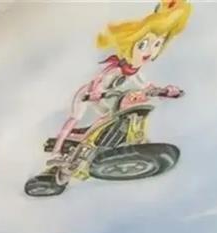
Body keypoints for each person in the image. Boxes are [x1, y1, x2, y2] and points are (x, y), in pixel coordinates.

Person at [48, 0, 191, 162]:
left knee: (113, 115)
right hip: (87, 95)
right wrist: (95, 93)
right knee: (75, 117)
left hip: (104, 97)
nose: (150, 51)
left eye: (157, 44)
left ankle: (102, 140)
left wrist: (166, 91)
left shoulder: (134, 72)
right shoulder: (115, 70)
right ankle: (56, 151)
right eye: (143, 45)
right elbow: (98, 82)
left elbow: (148, 87)